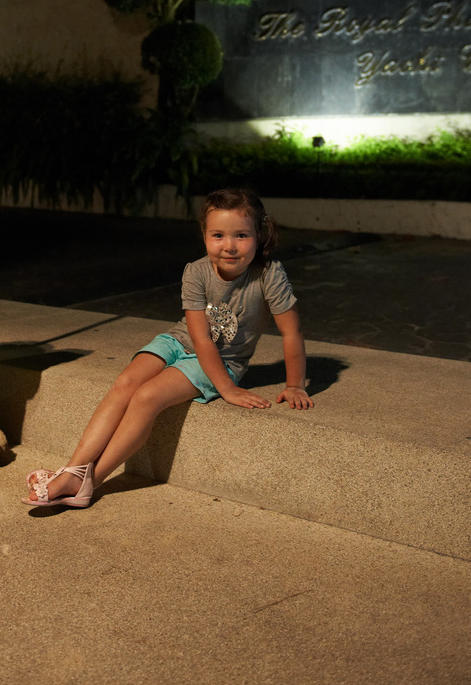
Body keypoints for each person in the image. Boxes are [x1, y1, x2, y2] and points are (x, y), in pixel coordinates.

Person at [22, 187, 313, 508]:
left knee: (147, 397)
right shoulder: (197, 271)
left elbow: (291, 331)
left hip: (223, 360)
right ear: (204, 235)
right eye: (218, 235)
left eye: (241, 235)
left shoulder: (269, 274)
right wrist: (227, 390)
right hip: (181, 340)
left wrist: (294, 384)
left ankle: (91, 482)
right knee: (126, 383)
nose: (229, 246)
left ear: (259, 235)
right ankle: (73, 470)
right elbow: (199, 336)